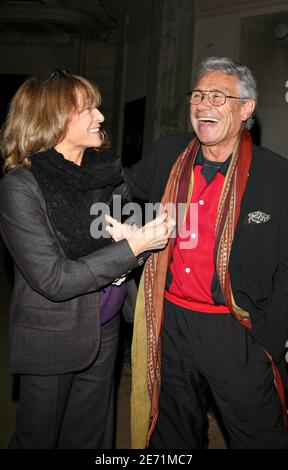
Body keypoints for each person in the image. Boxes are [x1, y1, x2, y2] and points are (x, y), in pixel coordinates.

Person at [120, 57, 288, 449]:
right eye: (197, 95)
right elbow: (122, 188)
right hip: (172, 323)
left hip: (236, 330)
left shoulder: (276, 176)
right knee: (172, 434)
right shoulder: (170, 155)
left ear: (245, 108)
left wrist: (266, 336)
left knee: (260, 434)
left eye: (217, 96)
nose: (201, 105)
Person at [0, 69, 171, 449]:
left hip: (105, 328)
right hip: (53, 335)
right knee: (38, 439)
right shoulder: (20, 187)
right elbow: (54, 279)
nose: (101, 117)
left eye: (98, 107)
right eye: (88, 109)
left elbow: (121, 245)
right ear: (53, 119)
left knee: (91, 439)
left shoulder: (105, 172)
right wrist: (132, 247)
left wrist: (134, 243)